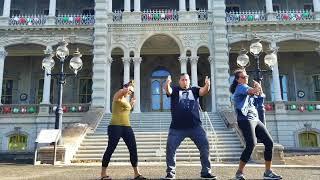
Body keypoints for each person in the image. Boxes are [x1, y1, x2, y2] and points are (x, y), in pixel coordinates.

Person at [229, 69, 282, 180]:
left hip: (255, 119)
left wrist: (259, 89)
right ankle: (239, 173)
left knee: (269, 143)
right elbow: (253, 91)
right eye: (243, 77)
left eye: (246, 76)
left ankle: (268, 172)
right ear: (238, 80)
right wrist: (257, 87)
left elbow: (259, 99)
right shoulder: (241, 88)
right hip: (245, 120)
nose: (246, 78)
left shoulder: (247, 88)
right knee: (251, 145)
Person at [163, 73, 216, 180]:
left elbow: (203, 91)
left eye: (186, 80)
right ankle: (170, 173)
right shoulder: (175, 90)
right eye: (182, 80)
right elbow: (169, 91)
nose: (185, 82)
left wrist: (207, 85)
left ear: (189, 81)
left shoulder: (195, 90)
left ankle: (206, 172)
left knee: (205, 147)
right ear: (179, 81)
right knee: (170, 148)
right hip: (177, 127)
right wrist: (167, 84)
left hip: (195, 126)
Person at [99, 80, 146, 180]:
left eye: (131, 92)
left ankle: (137, 173)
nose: (130, 92)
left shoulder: (125, 100)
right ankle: (103, 174)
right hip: (115, 126)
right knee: (110, 149)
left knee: (133, 148)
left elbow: (125, 111)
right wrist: (129, 86)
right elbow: (122, 91)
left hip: (126, 127)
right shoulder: (118, 95)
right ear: (125, 87)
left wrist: (131, 104)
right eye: (130, 91)